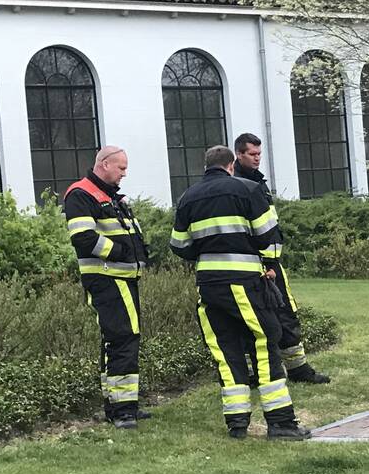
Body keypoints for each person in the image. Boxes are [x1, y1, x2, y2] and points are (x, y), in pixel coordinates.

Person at [170, 144, 311, 440]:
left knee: (226, 350)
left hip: (208, 286)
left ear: (206, 166)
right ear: (231, 165)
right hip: (244, 282)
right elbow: (266, 235)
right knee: (264, 340)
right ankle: (281, 422)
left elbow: (179, 246)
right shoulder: (248, 190)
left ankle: (237, 424)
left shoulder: (187, 198)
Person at [232, 132, 330, 384]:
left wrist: (273, 261)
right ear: (238, 154)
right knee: (253, 321)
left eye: (259, 154)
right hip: (254, 266)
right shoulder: (237, 187)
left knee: (287, 313)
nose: (257, 159)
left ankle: (298, 368)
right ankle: (254, 373)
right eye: (252, 154)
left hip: (273, 262)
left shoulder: (258, 183)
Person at [64, 146, 149, 430]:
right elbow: (84, 238)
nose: (124, 173)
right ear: (103, 164)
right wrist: (121, 252)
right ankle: (123, 411)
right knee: (123, 338)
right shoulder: (81, 194)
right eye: (121, 168)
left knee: (119, 339)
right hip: (108, 277)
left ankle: (121, 406)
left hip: (123, 278)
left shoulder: (111, 196)